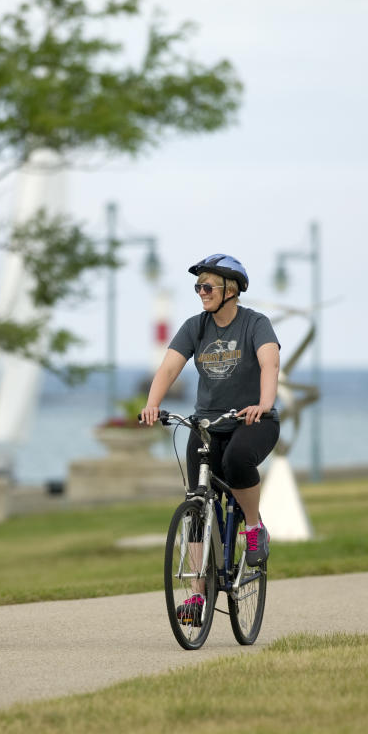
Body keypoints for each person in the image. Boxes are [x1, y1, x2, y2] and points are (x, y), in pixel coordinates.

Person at [139, 254, 280, 622]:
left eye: (208, 287)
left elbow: (270, 363)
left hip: (253, 421)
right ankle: (198, 596)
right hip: (208, 425)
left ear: (230, 291)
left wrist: (263, 404)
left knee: (236, 463)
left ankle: (253, 528)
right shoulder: (195, 327)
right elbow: (170, 366)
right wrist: (152, 404)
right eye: (198, 286)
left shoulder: (255, 324)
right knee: (197, 504)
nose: (201, 292)